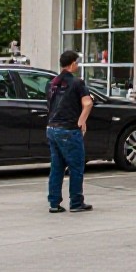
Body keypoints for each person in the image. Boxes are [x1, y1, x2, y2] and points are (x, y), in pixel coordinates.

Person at [46, 49, 94, 213]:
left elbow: (51, 105)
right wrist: (81, 122)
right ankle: (76, 202)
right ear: (73, 63)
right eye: (77, 63)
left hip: (52, 128)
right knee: (76, 166)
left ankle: (54, 203)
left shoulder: (52, 83)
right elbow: (87, 103)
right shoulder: (77, 83)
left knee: (57, 166)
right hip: (68, 129)